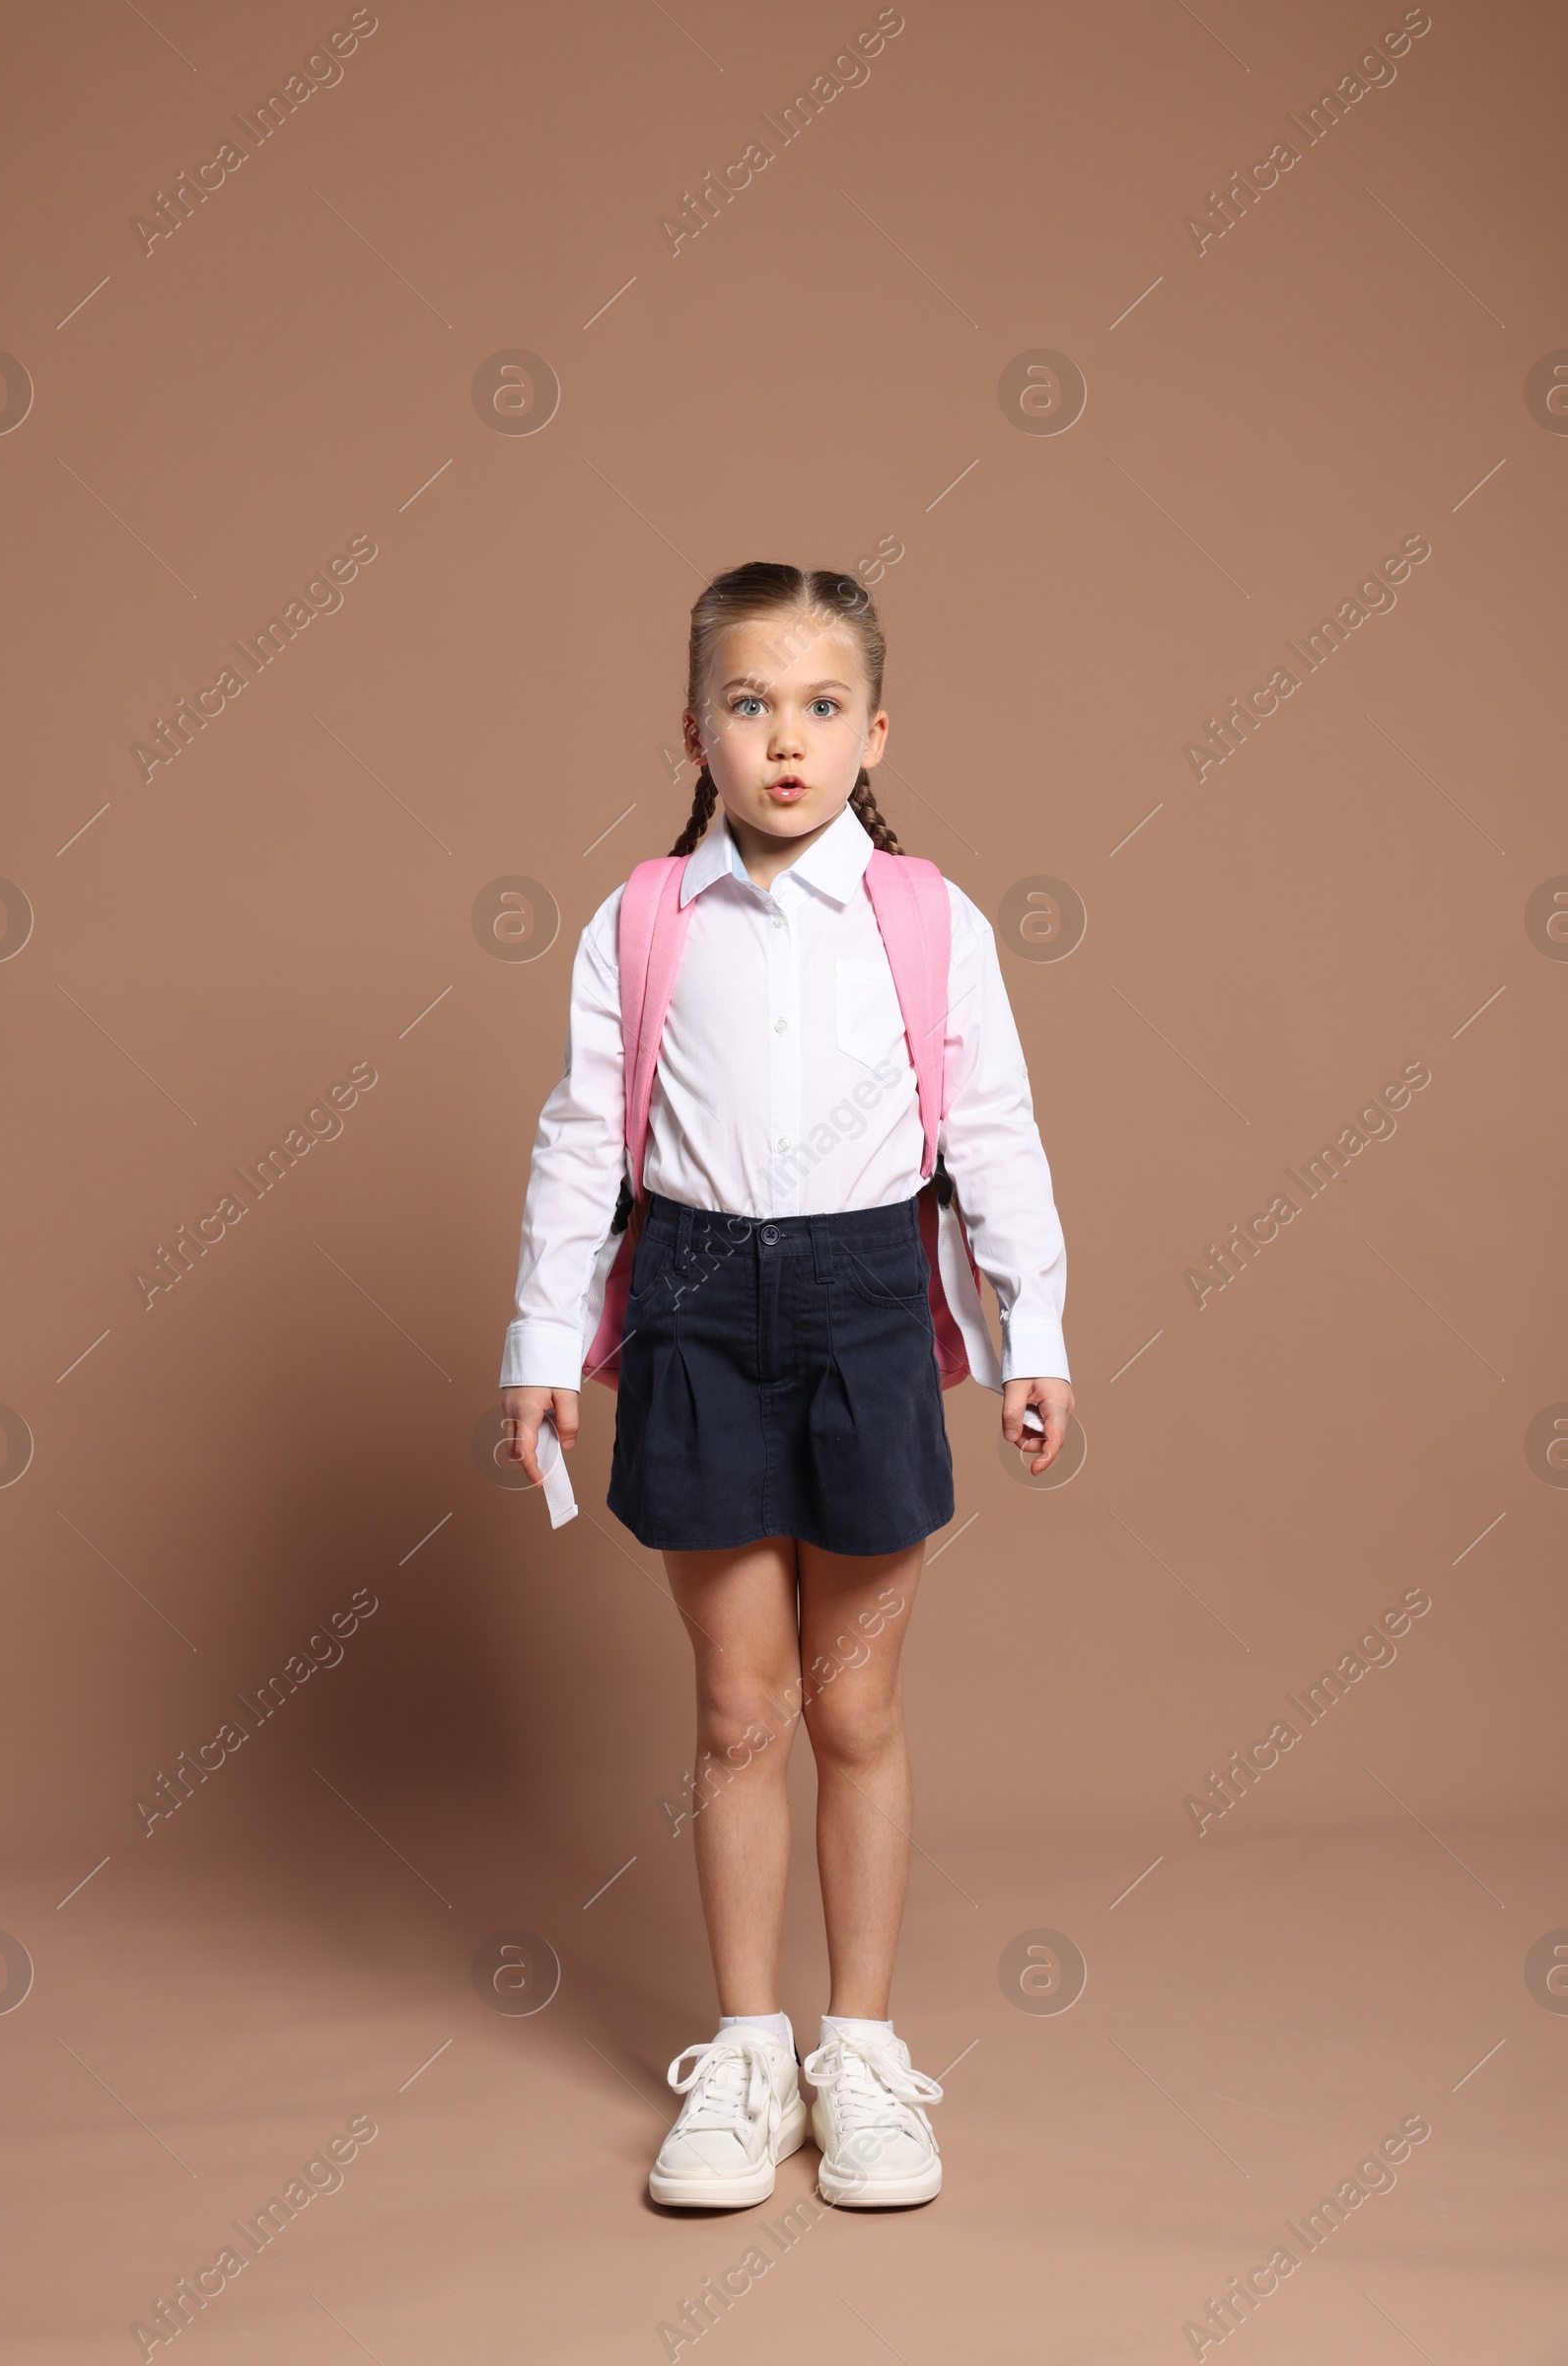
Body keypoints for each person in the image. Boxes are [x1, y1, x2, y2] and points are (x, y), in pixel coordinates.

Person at [500, 560, 1072, 2211]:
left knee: (854, 1706)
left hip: (864, 1299)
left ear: (875, 729)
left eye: (823, 707)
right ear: (696, 730)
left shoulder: (926, 919)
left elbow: (996, 1133)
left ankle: (864, 2053)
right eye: (751, 706)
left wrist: (1034, 1332)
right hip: (689, 1299)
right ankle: (748, 2055)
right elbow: (579, 1142)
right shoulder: (646, 917)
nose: (787, 741)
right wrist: (546, 1346)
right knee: (742, 1709)